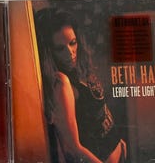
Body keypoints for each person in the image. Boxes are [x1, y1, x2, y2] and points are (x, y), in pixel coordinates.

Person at [34, 9, 127, 162]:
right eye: (60, 48)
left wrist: (118, 141)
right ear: (49, 51)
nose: (70, 53)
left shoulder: (80, 68)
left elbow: (99, 109)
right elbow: (72, 148)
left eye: (73, 43)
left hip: (118, 151)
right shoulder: (62, 82)